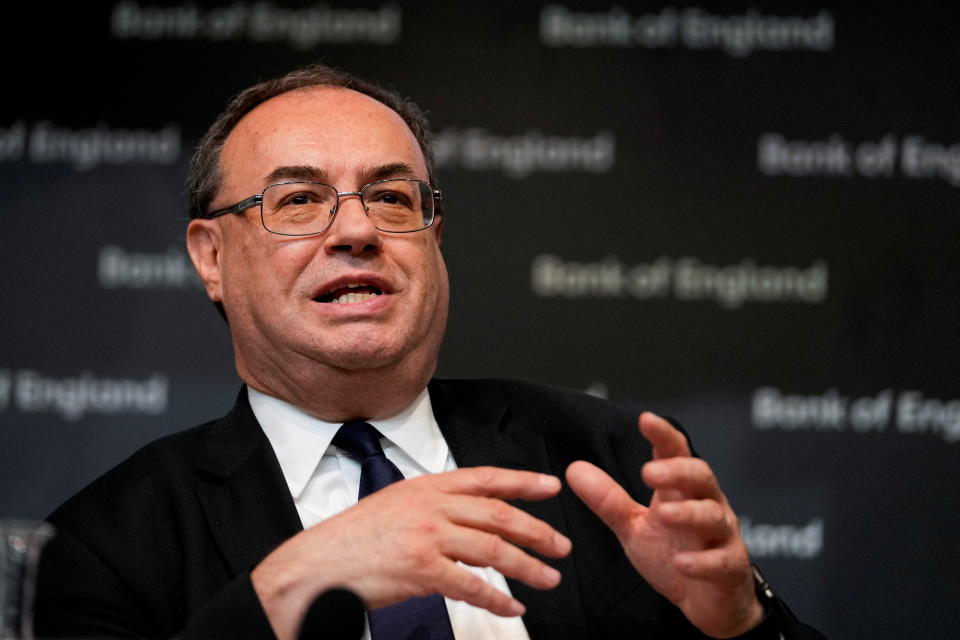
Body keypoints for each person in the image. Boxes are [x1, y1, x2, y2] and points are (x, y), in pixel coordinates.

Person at [35, 64, 824, 640]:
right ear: (210, 257)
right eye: (299, 200)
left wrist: (740, 626)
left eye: (390, 196)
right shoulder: (105, 547)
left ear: (433, 238)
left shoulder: (604, 462)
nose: (355, 231)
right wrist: (290, 588)